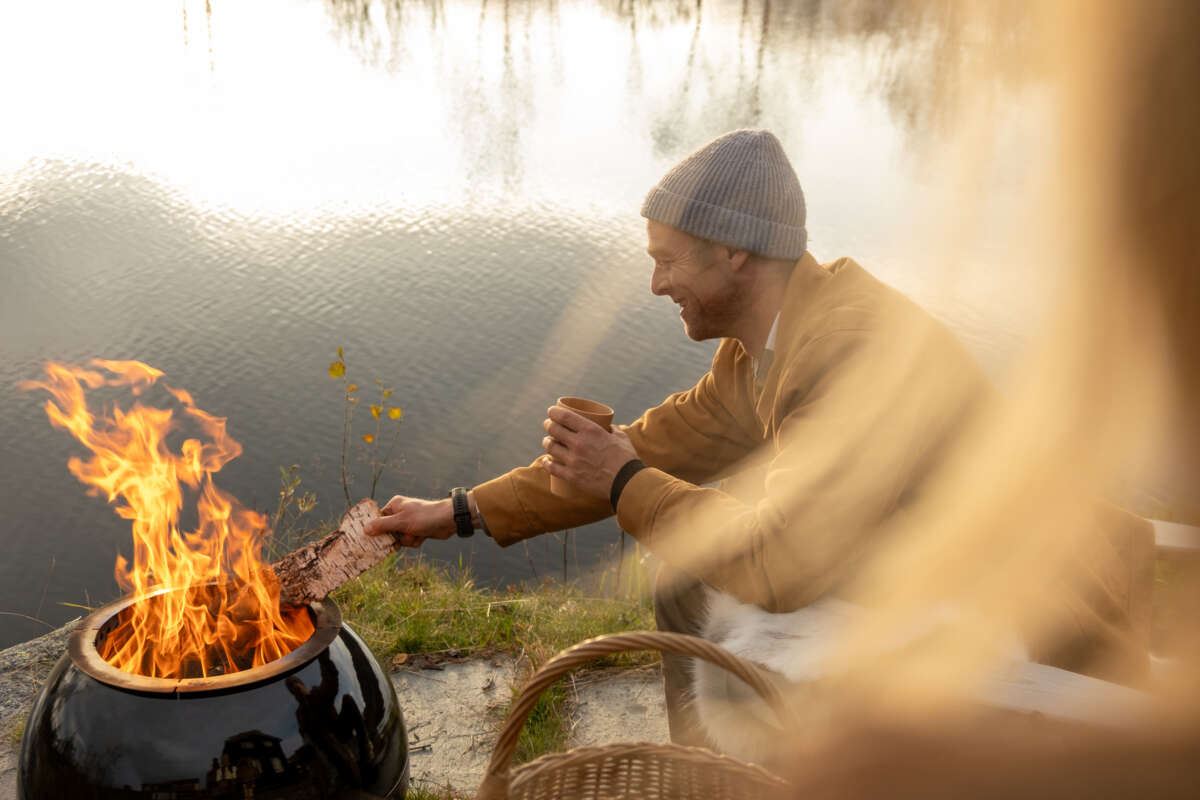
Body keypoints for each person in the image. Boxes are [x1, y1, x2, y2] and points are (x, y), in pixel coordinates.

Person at [365, 129, 1150, 746]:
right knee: (686, 570)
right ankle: (712, 772)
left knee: (694, 568)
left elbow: (782, 565)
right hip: (925, 559)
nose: (656, 284)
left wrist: (623, 480)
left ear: (733, 252)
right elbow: (649, 445)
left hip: (1020, 615)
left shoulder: (846, 350)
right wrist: (457, 511)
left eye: (667, 260)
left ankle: (728, 772)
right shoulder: (768, 344)